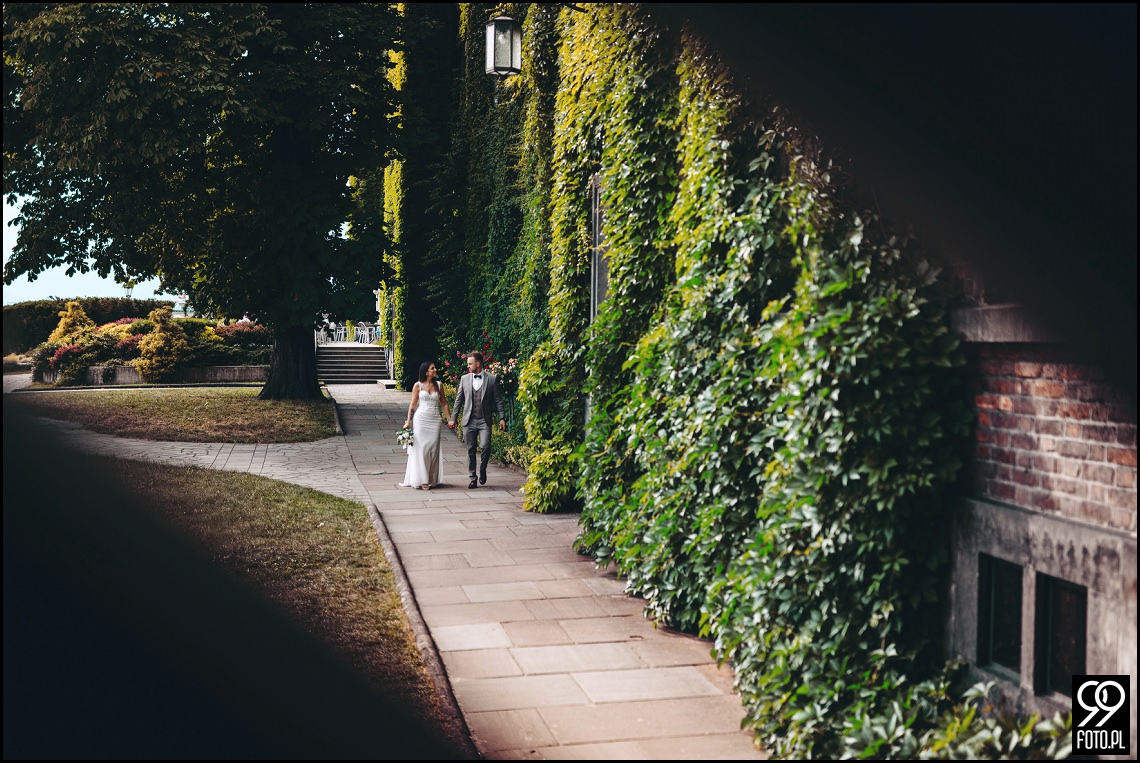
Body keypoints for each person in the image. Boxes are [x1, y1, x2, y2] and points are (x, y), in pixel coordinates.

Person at [447, 351, 506, 489]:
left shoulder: (491, 379)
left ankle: (483, 469)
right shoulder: (464, 379)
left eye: (470, 363)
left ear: (478, 364)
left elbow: (498, 401)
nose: (468, 366)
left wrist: (502, 417)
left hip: (484, 421)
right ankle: (473, 477)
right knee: (470, 450)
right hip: (469, 421)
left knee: (485, 446)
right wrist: (453, 419)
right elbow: (459, 400)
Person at [399, 361, 452, 490]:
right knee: (421, 450)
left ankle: (430, 478)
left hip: (435, 420)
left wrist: (450, 420)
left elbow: (444, 404)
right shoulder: (418, 386)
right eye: (432, 368)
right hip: (421, 421)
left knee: (433, 450)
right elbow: (413, 405)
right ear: (426, 372)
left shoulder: (439, 385)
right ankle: (423, 480)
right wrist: (408, 421)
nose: (435, 370)